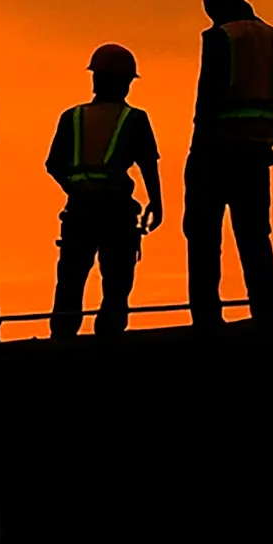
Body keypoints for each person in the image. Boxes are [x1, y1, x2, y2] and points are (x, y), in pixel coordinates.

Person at [186, 0, 273, 328]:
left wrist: (197, 157)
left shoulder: (220, 38)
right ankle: (266, 317)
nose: (207, 6)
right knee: (255, 239)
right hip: (257, 154)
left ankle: (207, 322)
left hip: (216, 152)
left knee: (202, 238)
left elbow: (207, 103)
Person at [46, 43, 164, 337]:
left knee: (71, 282)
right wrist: (156, 203)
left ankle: (62, 341)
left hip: (80, 212)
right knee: (116, 283)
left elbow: (53, 165)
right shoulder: (134, 119)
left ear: (96, 78)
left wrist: (77, 188)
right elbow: (149, 164)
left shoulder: (72, 117)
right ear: (125, 83)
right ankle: (108, 342)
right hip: (116, 213)